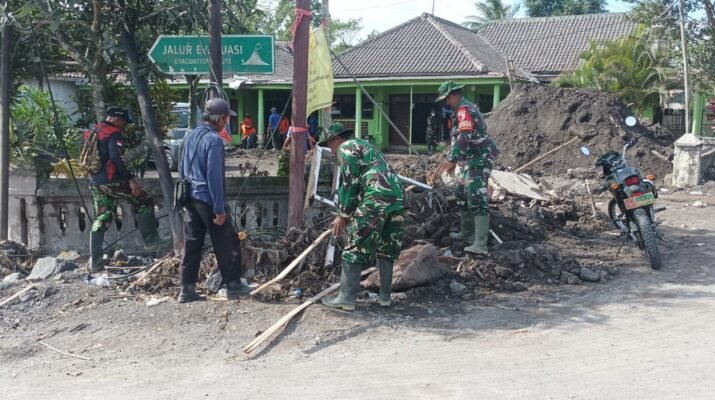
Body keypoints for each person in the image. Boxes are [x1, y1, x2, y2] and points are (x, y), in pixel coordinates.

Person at [319, 122, 405, 311]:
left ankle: (346, 298)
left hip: (377, 195)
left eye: (330, 143)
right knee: (387, 245)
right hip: (397, 196)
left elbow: (349, 183)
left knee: (355, 243)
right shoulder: (365, 146)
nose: (331, 149)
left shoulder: (345, 148)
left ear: (337, 139)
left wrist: (343, 215)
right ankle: (385, 297)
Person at [177, 98, 252, 303]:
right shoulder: (214, 141)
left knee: (192, 243)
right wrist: (219, 209)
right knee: (227, 241)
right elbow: (214, 177)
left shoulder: (190, 135)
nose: (227, 123)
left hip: (189, 196)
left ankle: (186, 289)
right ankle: (234, 285)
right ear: (219, 118)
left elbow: (181, 167)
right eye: (227, 119)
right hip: (206, 198)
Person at [87, 107, 170, 273]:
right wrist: (130, 179)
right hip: (112, 180)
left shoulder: (94, 130)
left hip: (95, 182)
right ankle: (151, 241)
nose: (124, 126)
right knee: (144, 200)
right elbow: (115, 158)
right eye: (124, 122)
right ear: (117, 119)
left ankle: (95, 262)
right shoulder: (113, 133)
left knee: (102, 217)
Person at [435, 81, 499, 256]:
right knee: (461, 193)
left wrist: (451, 159)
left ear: (452, 95)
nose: (446, 103)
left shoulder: (464, 110)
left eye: (447, 99)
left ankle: (480, 244)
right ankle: (468, 234)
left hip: (479, 157)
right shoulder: (459, 111)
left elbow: (465, 136)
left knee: (476, 195)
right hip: (468, 159)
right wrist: (456, 160)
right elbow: (458, 140)